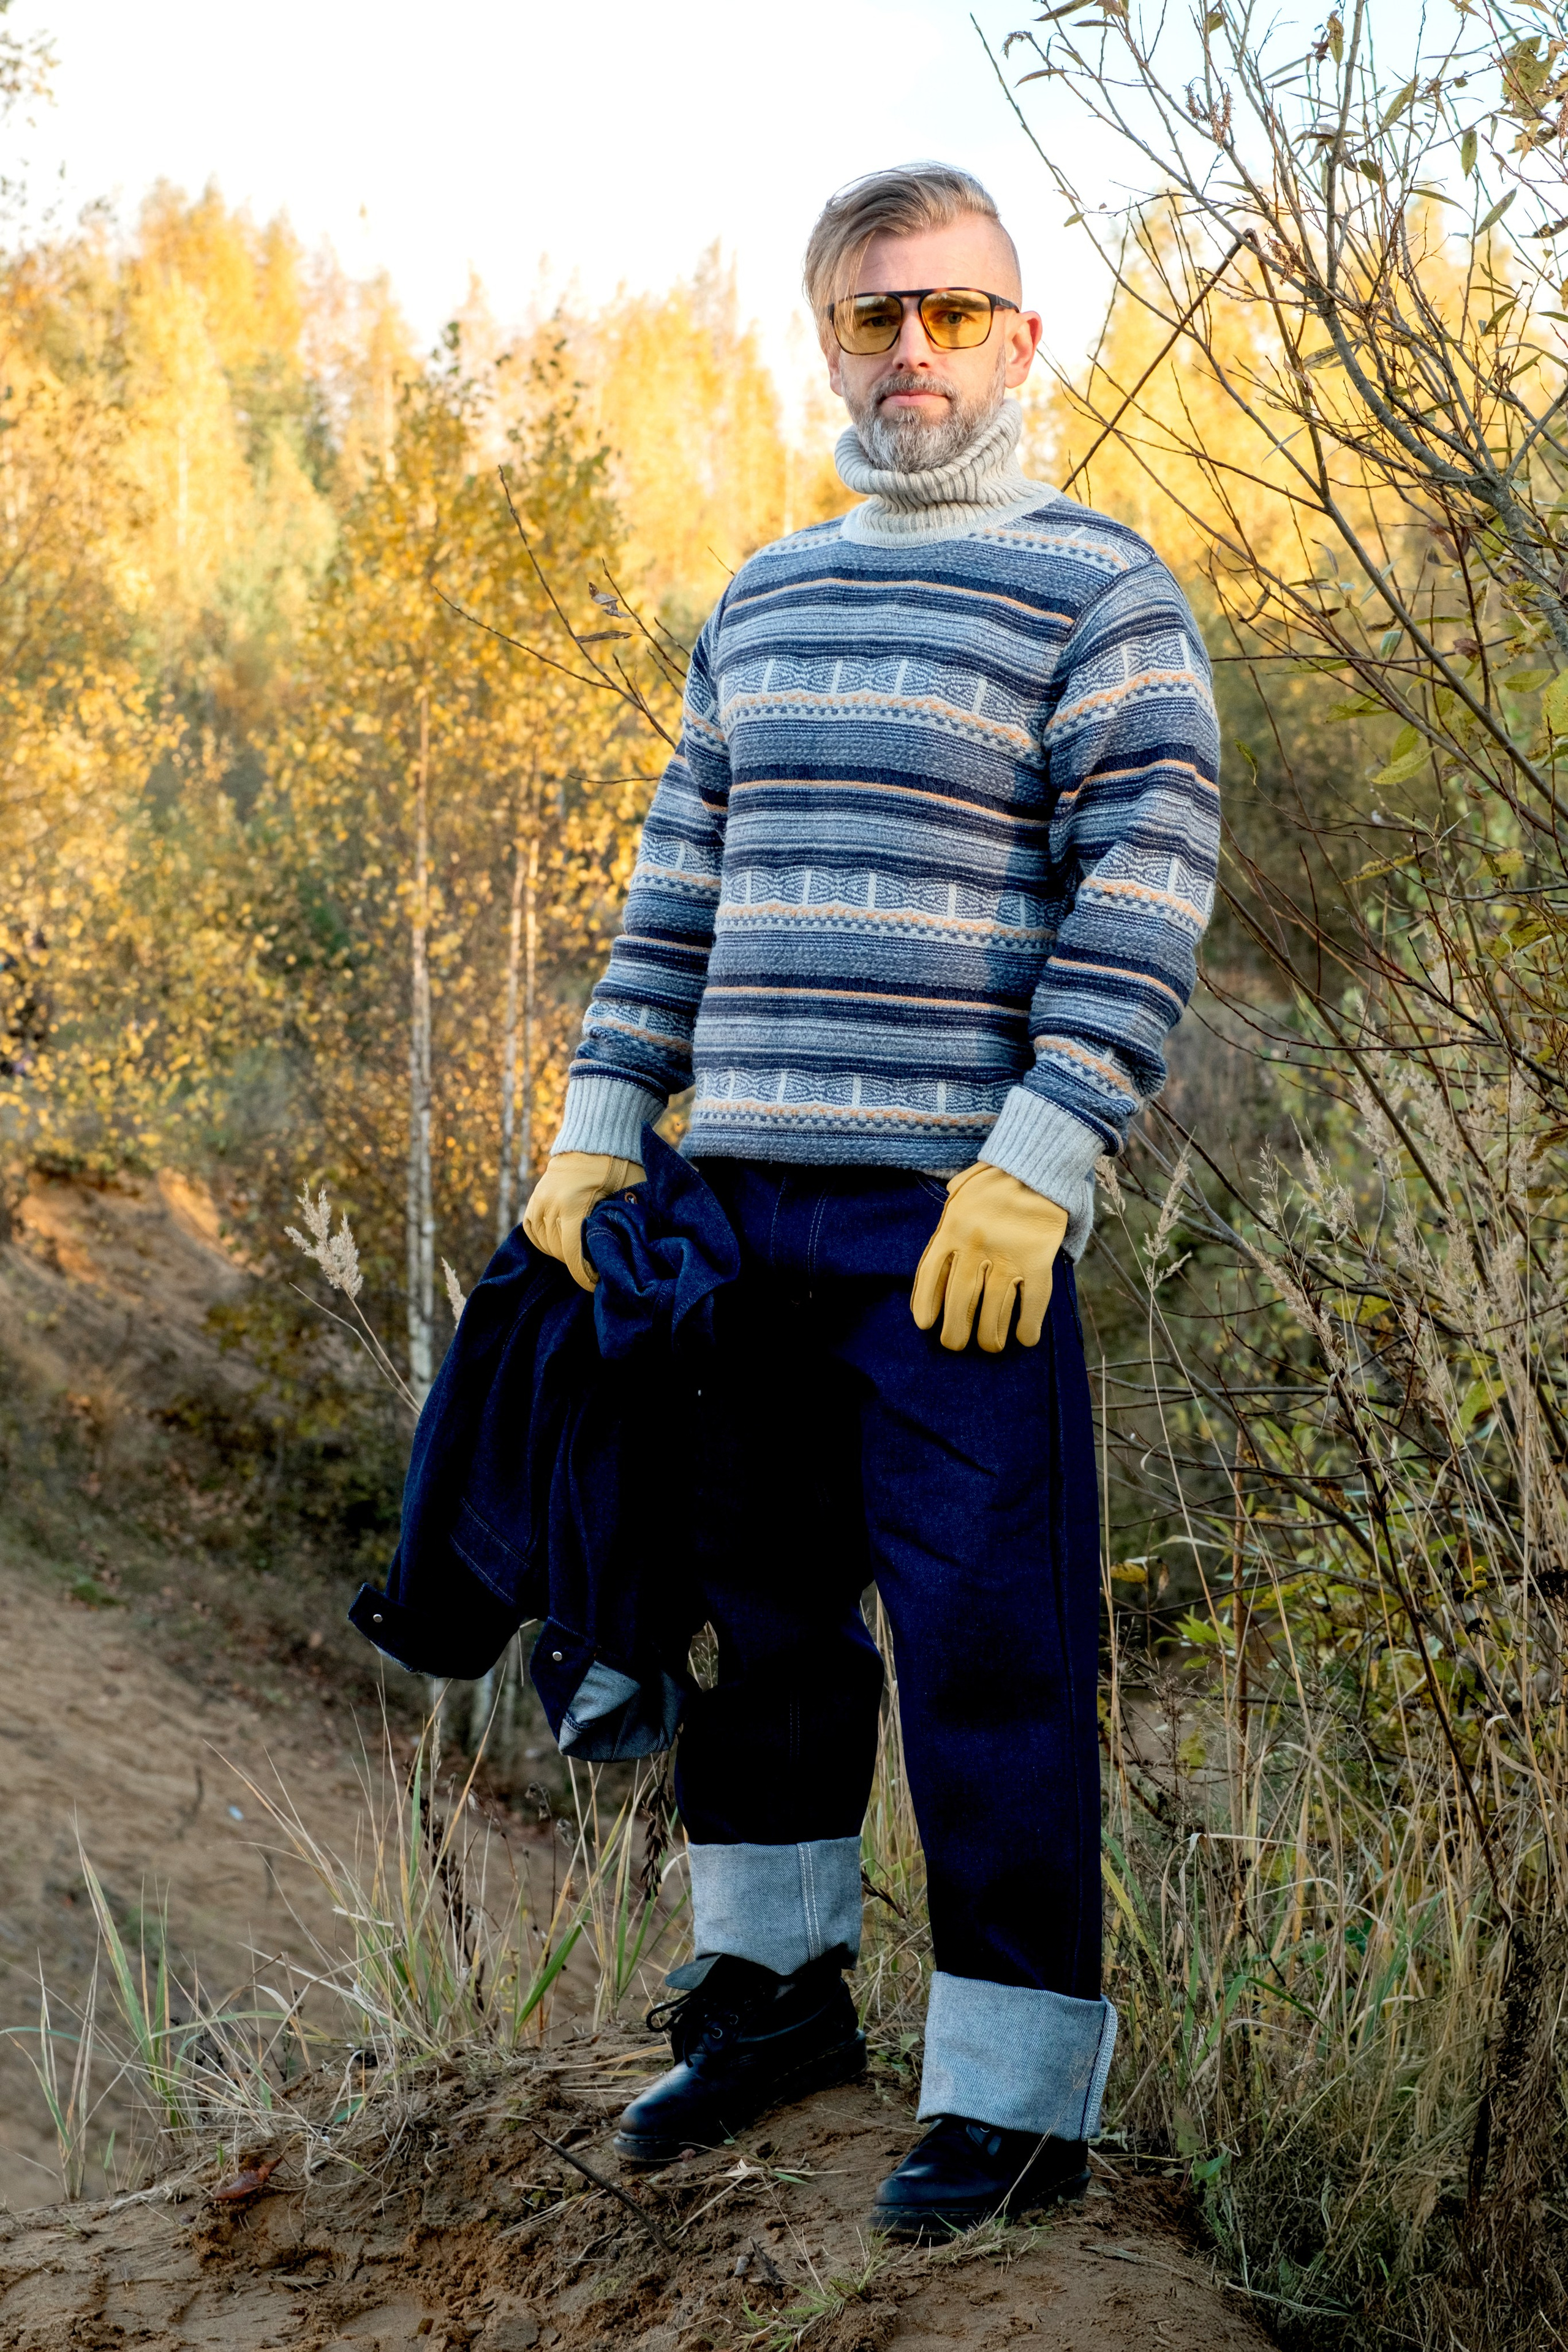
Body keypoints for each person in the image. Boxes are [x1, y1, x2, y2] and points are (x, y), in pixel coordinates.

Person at [523, 162, 1219, 2237]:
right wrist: (593, 1119)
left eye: (950, 312)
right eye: (869, 317)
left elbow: (1149, 883)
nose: (909, 351)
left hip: (954, 1235)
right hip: (729, 1215)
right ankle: (773, 1999)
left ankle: (1012, 2097)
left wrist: (1044, 1158)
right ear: (825, 339)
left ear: (1026, 338)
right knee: (758, 1634)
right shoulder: (763, 597)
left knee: (992, 1652)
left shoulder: (1105, 594)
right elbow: (677, 886)